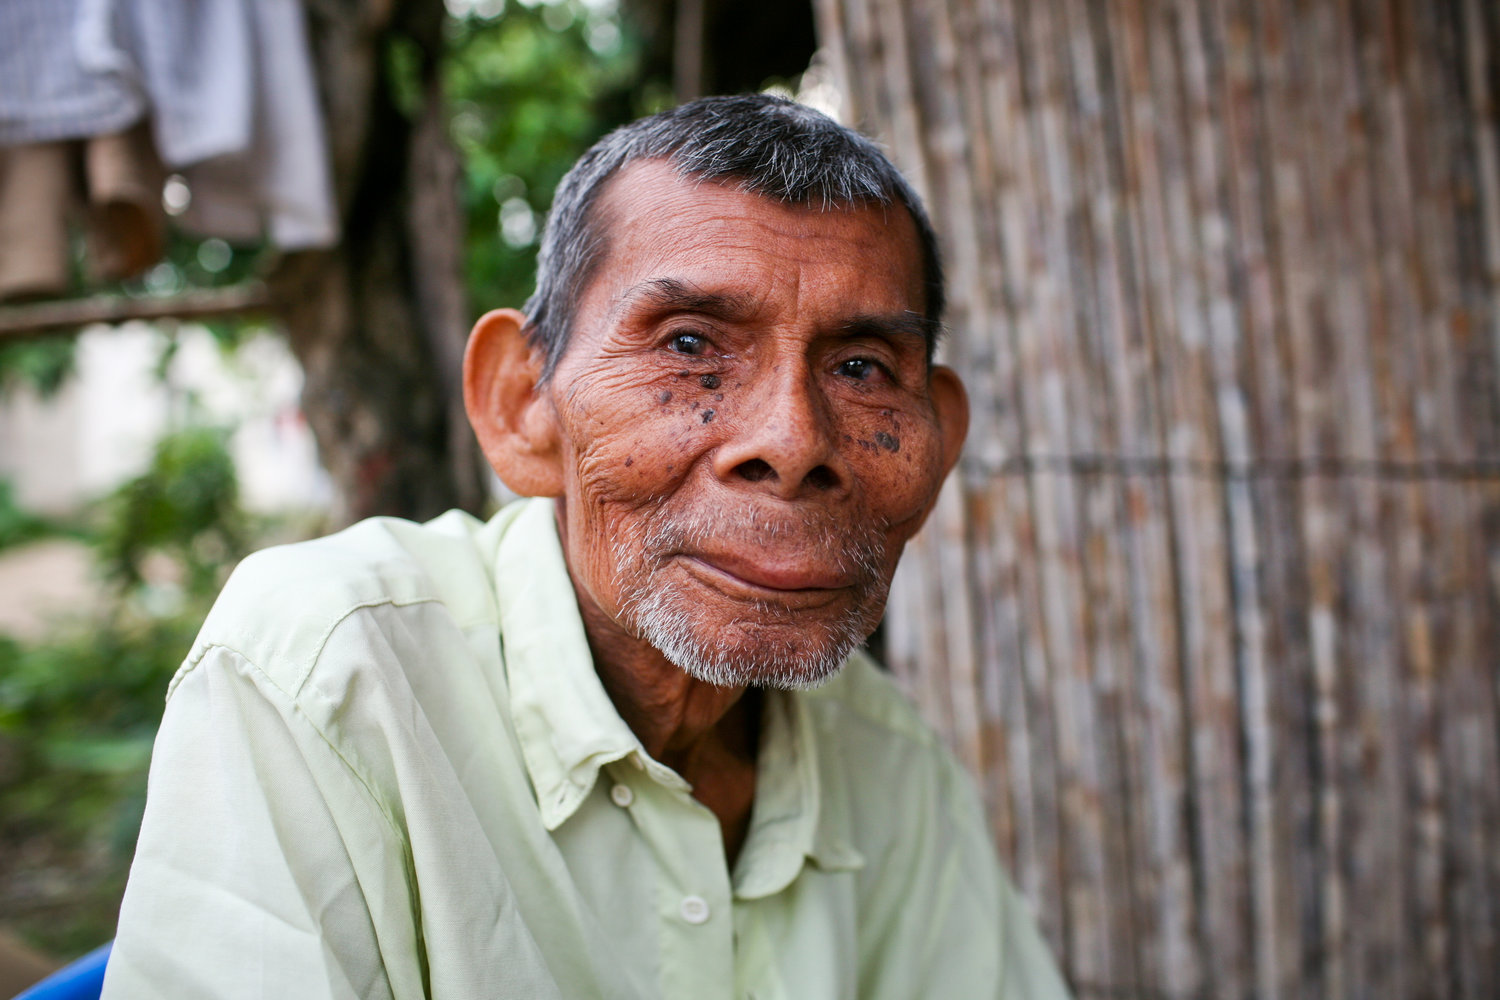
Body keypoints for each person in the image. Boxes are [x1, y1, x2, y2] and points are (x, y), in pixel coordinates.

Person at [102, 94, 1072, 1000]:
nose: (791, 442)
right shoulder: (327, 673)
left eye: (861, 367)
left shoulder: (884, 756)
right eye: (690, 345)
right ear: (522, 406)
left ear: (938, 444)